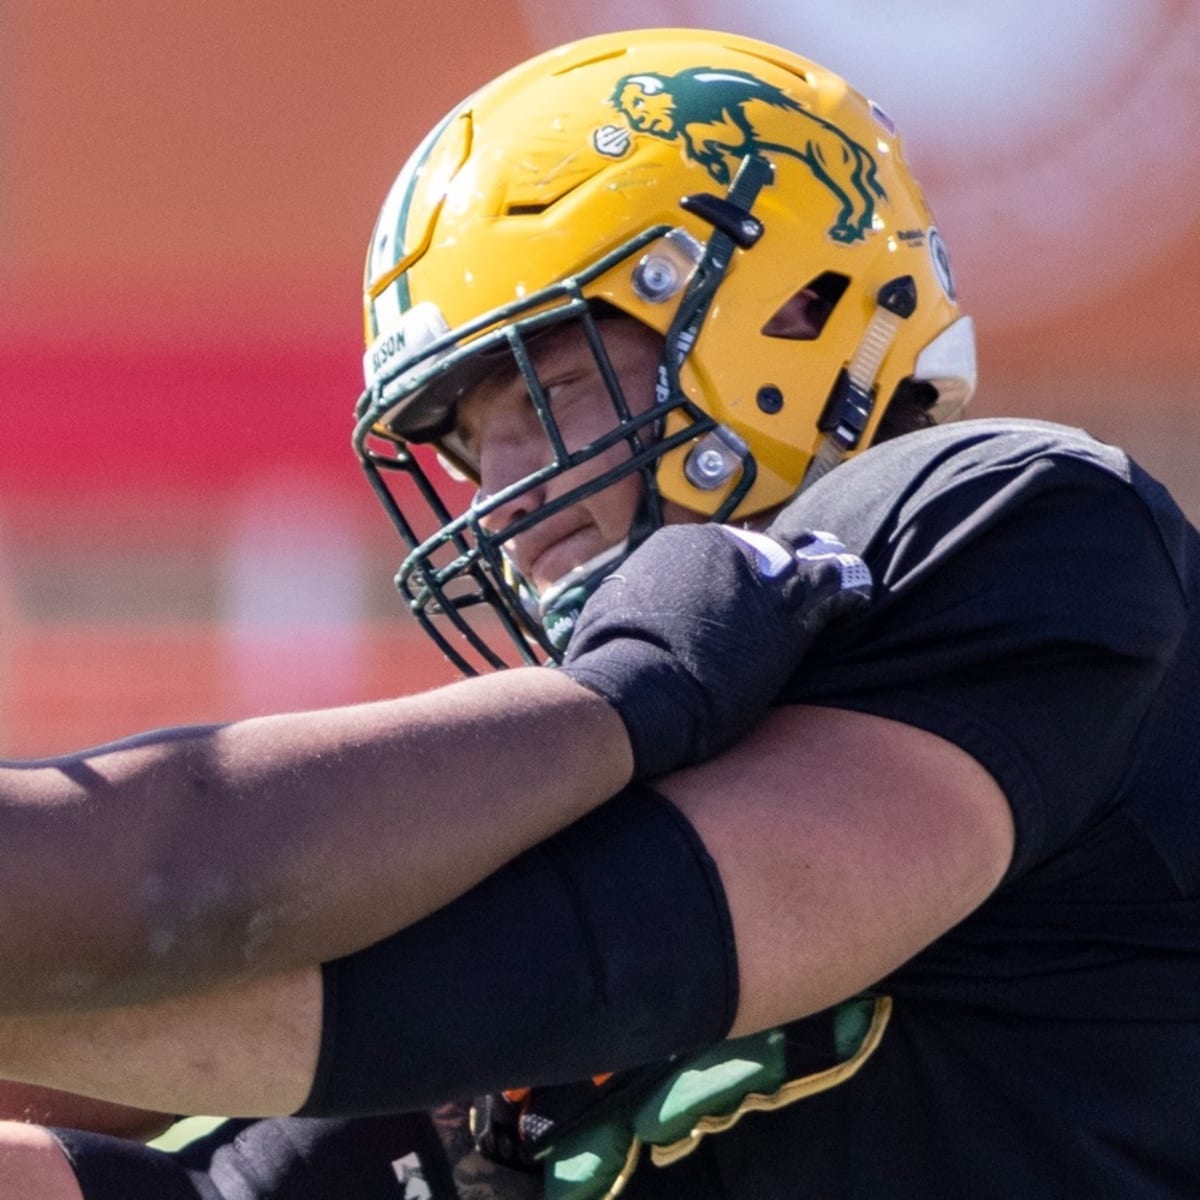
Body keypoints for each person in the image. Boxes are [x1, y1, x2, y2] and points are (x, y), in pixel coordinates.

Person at [0, 24, 1196, 1199]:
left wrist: (611, 708)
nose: (508, 497)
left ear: (793, 310)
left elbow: (597, 953)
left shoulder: (1015, 523)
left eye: (552, 387)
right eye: (471, 447)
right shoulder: (614, 786)